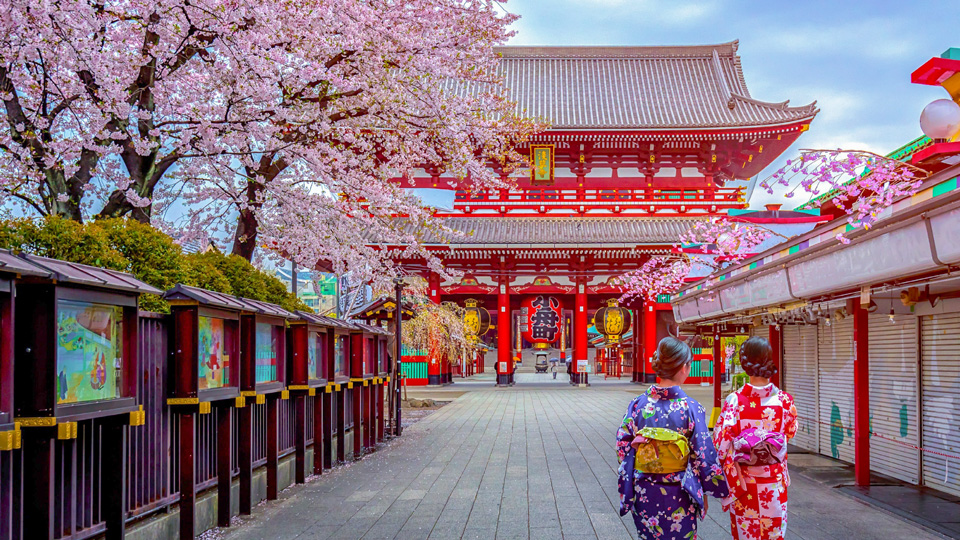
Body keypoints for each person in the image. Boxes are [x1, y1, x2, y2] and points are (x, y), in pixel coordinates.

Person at [616, 337, 729, 539]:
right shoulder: (691, 408)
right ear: (684, 368)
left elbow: (623, 446)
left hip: (645, 489)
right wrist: (713, 488)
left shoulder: (638, 405)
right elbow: (704, 454)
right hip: (680, 491)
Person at [713, 337, 798, 540]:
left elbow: (721, 444)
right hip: (774, 483)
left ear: (744, 363)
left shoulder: (735, 401)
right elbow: (790, 432)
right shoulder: (784, 401)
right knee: (773, 534)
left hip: (745, 483)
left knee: (746, 534)